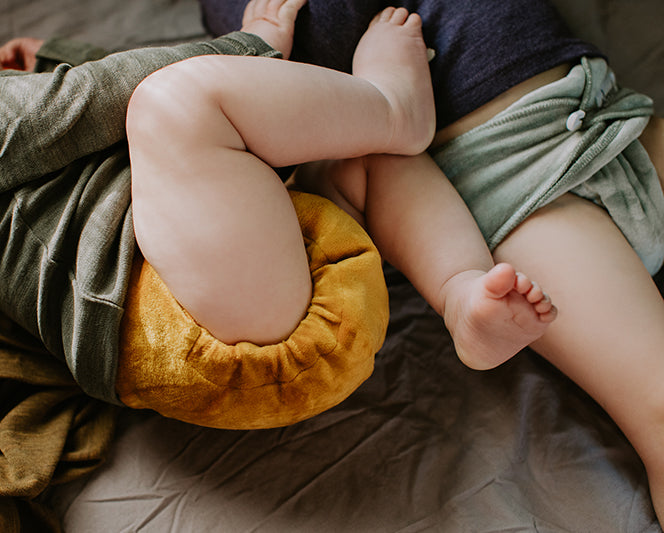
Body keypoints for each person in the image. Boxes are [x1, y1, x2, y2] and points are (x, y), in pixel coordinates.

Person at [0, 0, 553, 429]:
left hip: (247, 308)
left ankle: (464, 293)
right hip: (205, 320)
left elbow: (81, 115)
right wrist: (252, 43)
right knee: (169, 104)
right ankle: (394, 106)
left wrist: (40, 70)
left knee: (352, 152)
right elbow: (107, 93)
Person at [199, 0, 664, 522]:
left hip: (613, 115)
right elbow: (247, 132)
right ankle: (459, 289)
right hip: (511, 192)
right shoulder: (242, 19)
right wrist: (259, 51)